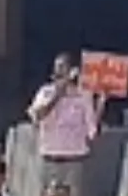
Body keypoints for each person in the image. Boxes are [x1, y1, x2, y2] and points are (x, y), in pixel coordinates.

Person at [30, 52, 105, 188]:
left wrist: (101, 102)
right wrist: (57, 95)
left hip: (74, 161)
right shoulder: (45, 92)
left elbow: (92, 131)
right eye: (56, 68)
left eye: (62, 68)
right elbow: (38, 115)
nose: (58, 72)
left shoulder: (83, 95)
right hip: (50, 159)